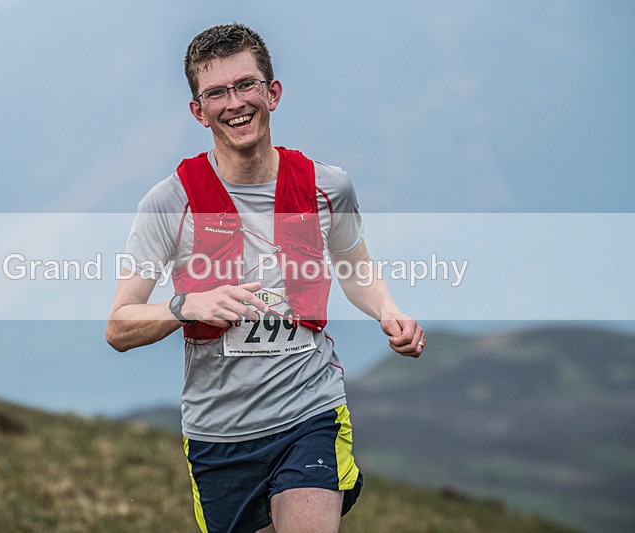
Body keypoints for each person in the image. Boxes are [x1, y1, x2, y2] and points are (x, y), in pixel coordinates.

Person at [106, 23, 425, 533]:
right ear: (198, 110)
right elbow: (119, 325)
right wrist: (184, 305)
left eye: (246, 85)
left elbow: (355, 266)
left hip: (310, 411)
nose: (234, 102)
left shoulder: (328, 187)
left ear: (272, 93)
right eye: (216, 92)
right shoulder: (169, 204)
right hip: (220, 435)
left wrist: (389, 311)